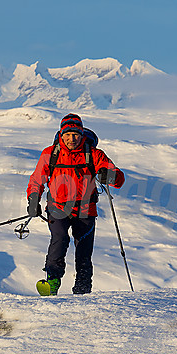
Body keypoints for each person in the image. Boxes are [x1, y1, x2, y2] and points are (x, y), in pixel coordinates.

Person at [26, 113, 125, 295]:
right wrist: (33, 199)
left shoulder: (94, 154)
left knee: (83, 252)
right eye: (68, 134)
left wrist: (109, 175)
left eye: (76, 134)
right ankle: (52, 284)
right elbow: (37, 179)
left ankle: (82, 289)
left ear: (82, 134)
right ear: (61, 134)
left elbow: (118, 179)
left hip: (86, 210)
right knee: (59, 241)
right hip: (57, 208)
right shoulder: (50, 153)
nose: (72, 138)